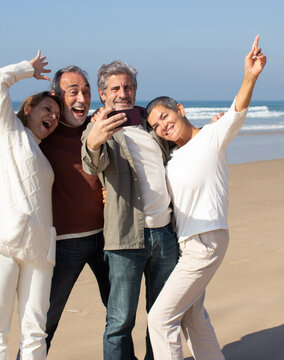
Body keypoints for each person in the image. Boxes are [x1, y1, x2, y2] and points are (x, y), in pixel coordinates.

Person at [0, 61, 114, 355]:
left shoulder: (95, 126)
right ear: (51, 97)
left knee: (118, 314)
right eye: (73, 91)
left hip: (100, 238)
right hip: (58, 243)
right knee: (40, 324)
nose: (81, 98)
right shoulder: (26, 133)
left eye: (86, 91)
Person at [144, 35, 267, 360]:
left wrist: (250, 76)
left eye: (165, 117)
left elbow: (236, 110)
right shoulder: (171, 157)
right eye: (155, 126)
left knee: (160, 318)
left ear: (180, 109)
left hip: (206, 239)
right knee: (193, 317)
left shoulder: (212, 136)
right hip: (187, 243)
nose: (162, 126)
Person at [81, 60, 178, 360]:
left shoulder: (150, 126)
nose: (123, 92)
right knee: (120, 323)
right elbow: (92, 159)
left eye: (128, 87)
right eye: (115, 88)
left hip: (165, 235)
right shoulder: (99, 126)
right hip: (126, 239)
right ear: (103, 94)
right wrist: (96, 140)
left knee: (162, 317)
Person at [0, 51, 62, 359]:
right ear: (29, 108)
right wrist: (28, 69)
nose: (52, 116)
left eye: (57, 116)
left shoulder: (42, 154)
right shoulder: (9, 131)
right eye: (47, 108)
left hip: (37, 251)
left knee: (36, 330)